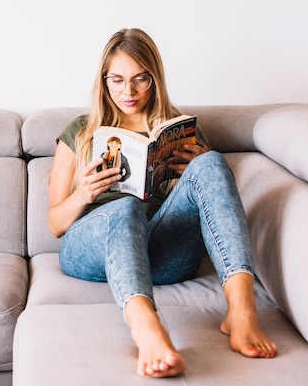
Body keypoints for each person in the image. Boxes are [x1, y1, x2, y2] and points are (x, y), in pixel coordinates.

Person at [48, 28, 277, 378]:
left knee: (212, 162)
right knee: (123, 207)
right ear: (103, 81)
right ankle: (147, 328)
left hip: (164, 253)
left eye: (141, 79)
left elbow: (209, 204)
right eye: (118, 80)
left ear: (155, 79)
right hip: (96, 248)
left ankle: (242, 311)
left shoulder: (181, 130)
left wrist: (196, 170)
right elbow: (55, 225)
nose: (129, 91)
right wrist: (83, 194)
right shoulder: (81, 131)